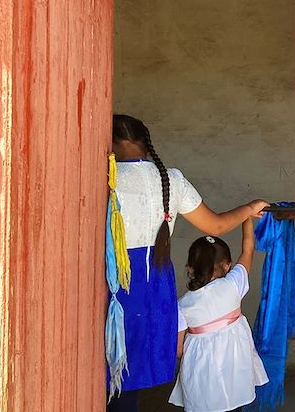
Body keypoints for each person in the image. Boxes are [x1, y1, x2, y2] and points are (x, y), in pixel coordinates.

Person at [108, 114, 268, 412]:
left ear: (110, 143)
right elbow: (217, 227)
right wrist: (249, 209)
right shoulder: (172, 180)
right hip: (154, 283)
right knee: (134, 363)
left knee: (113, 362)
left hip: (116, 279)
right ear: (146, 142)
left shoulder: (108, 178)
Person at [169, 221, 269, 411]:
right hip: (235, 368)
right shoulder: (233, 284)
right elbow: (248, 250)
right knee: (234, 403)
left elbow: (178, 350)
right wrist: (247, 218)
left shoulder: (181, 306)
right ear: (227, 265)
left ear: (190, 268)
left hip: (200, 374)